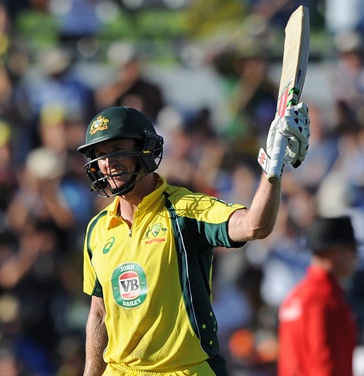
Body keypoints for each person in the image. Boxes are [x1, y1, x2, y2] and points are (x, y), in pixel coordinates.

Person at [76, 104, 310, 375]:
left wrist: (273, 168)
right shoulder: (97, 229)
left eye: (117, 151)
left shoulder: (186, 210)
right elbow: (99, 313)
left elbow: (254, 226)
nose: (107, 163)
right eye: (101, 155)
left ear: (145, 150)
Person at [277, 215, 358, 376]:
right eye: (353, 249)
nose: (356, 257)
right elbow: (324, 362)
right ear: (336, 252)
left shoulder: (298, 294)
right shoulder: (324, 298)